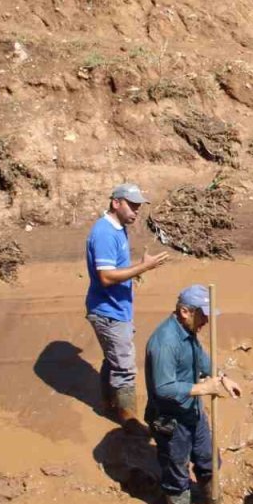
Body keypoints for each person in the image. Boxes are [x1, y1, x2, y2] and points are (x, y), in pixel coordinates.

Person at [144, 284, 242, 504]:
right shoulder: (165, 342)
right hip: (171, 420)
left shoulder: (188, 333)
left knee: (209, 460)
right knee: (177, 474)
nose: (206, 321)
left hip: (193, 414)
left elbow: (202, 361)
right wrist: (203, 388)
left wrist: (222, 378)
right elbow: (163, 388)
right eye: (203, 314)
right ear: (185, 311)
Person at [85, 183, 170, 429]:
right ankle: (130, 424)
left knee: (113, 359)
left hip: (116, 308)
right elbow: (105, 277)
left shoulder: (118, 228)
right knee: (125, 369)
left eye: (138, 206)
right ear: (116, 203)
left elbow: (115, 270)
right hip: (109, 312)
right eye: (132, 205)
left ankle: (109, 404)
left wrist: (136, 271)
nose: (136, 211)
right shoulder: (105, 233)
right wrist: (144, 267)